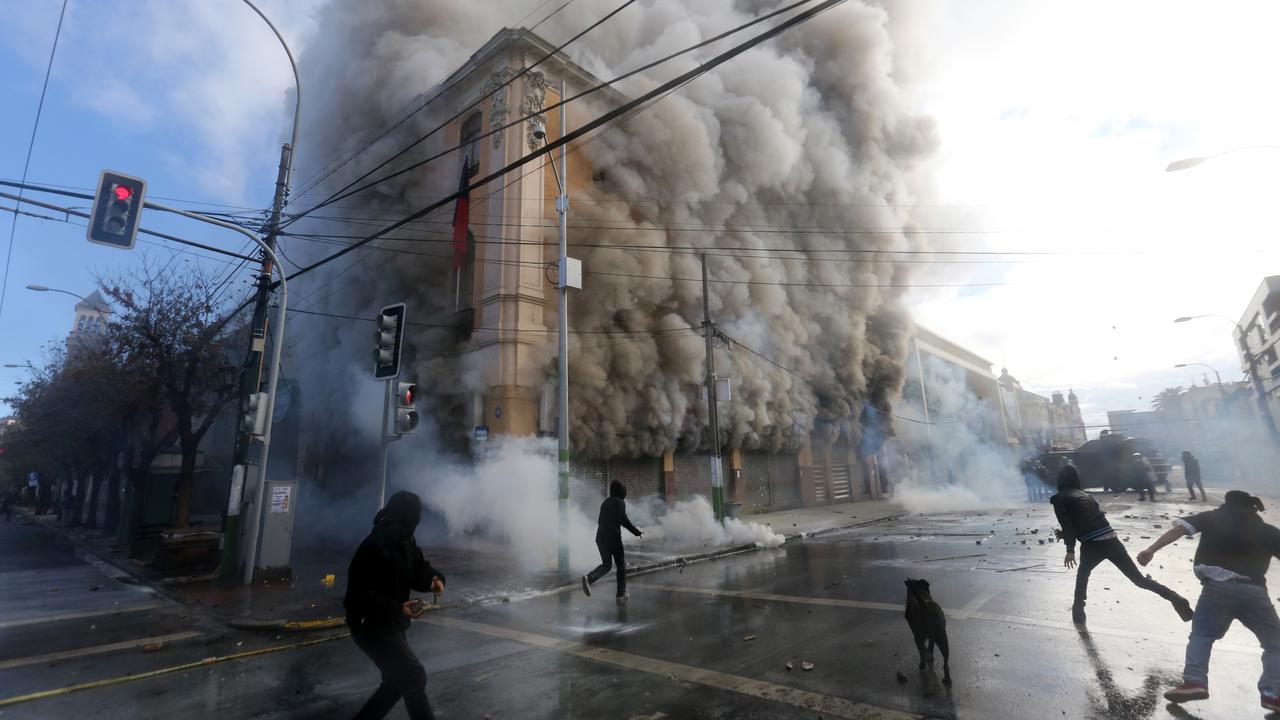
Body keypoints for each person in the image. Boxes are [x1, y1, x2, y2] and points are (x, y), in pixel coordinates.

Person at [1138, 491, 1280, 711]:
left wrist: (1151, 549)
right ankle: (1272, 692)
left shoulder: (1212, 517)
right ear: (1252, 508)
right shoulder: (1266, 530)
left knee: (1202, 636)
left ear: (1228, 504)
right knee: (1276, 644)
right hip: (1255, 593)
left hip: (1217, 589)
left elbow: (1179, 529)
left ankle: (1195, 681)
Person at [1051, 461, 1193, 625]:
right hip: (1112, 540)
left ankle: (1078, 612)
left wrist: (1070, 549)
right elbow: (1091, 519)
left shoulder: (1059, 499)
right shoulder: (1086, 496)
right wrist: (1067, 534)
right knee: (1139, 580)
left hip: (1092, 544)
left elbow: (1069, 525)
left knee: (1083, 575)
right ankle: (1175, 598)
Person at [344, 491, 445, 720]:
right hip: (370, 625)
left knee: (397, 682)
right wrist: (398, 608)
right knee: (413, 676)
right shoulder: (375, 545)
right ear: (405, 516)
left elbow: (418, 569)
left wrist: (434, 580)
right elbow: (358, 596)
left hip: (392, 623)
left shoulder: (405, 540)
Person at [581, 480, 643, 606]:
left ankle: (589, 578)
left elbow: (601, 521)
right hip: (613, 538)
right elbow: (623, 520)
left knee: (607, 564)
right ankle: (621, 594)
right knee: (620, 566)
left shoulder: (605, 502)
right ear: (621, 491)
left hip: (600, 538)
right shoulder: (619, 502)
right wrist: (636, 532)